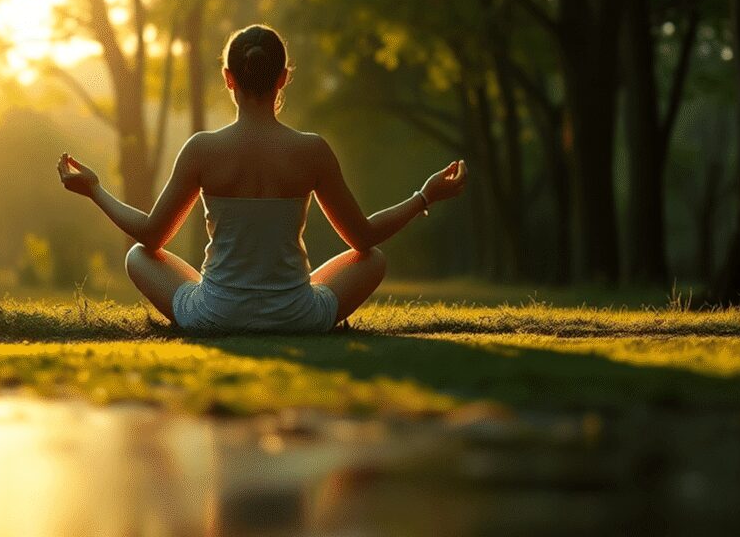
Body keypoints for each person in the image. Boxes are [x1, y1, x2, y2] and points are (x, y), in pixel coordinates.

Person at [57, 24, 468, 334]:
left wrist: (95, 190)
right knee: (373, 259)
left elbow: (151, 236)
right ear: (283, 78)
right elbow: (363, 238)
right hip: (298, 317)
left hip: (213, 315)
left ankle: (226, 296)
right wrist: (424, 196)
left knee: (137, 256)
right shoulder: (312, 150)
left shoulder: (202, 149)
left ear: (228, 78)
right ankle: (282, 297)